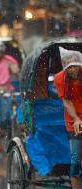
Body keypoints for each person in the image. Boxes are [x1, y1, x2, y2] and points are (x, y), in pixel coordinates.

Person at [54, 47, 82, 189]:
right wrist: (77, 118)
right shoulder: (60, 78)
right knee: (76, 159)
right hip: (74, 120)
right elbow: (67, 101)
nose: (73, 70)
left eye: (75, 66)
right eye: (69, 67)